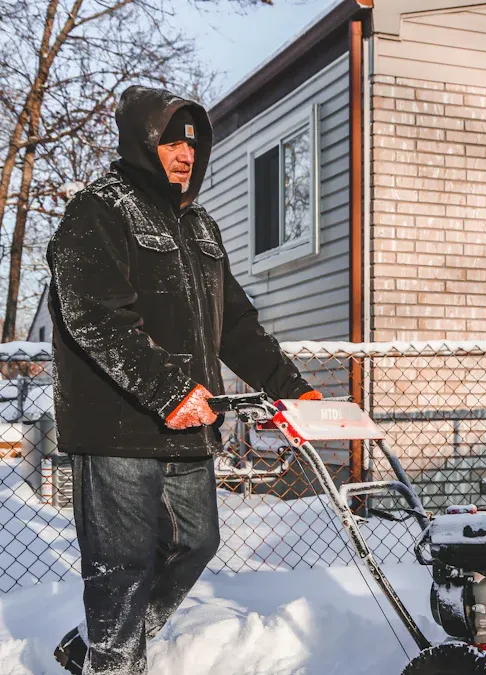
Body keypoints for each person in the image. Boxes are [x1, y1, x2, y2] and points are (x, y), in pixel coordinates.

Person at [46, 85, 322, 675]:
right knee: (120, 564)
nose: (185, 154)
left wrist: (294, 388)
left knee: (196, 543)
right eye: (172, 140)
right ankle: (114, 665)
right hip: (119, 424)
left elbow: (237, 325)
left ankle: (97, 646)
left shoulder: (200, 227)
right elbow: (94, 315)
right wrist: (169, 392)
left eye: (194, 144)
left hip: (191, 422)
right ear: (141, 141)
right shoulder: (98, 210)